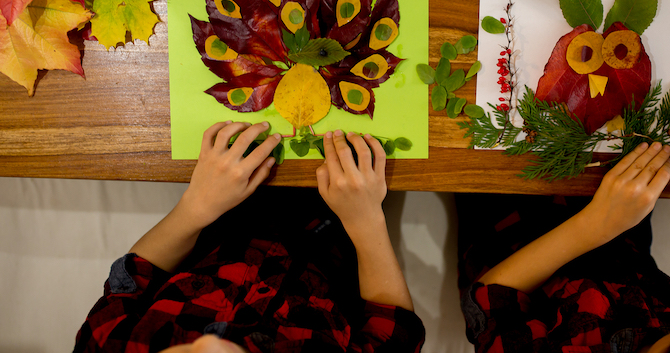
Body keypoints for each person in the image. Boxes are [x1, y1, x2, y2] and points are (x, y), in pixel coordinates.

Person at [457, 83, 670, 352]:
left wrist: (594, 226)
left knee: (471, 146)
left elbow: (491, 304)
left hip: (510, 239)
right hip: (625, 242)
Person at [73, 122, 425, 352]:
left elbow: (137, 275)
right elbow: (391, 328)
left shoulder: (104, 345)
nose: (209, 345)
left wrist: (196, 207)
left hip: (223, 220)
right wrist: (365, 220)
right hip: (340, 240)